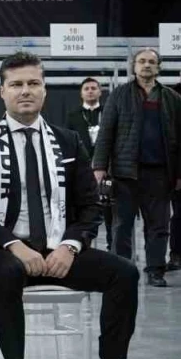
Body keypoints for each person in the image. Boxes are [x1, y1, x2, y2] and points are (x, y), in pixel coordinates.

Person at [0, 52, 148, 359]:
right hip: (6, 249)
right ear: (2, 92)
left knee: (125, 273)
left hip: (58, 250)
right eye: (16, 84)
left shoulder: (68, 141)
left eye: (33, 83)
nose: (25, 91)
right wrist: (14, 245)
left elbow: (90, 206)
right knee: (6, 272)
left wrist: (69, 246)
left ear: (45, 89)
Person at [93, 48, 181, 286]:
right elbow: (106, 132)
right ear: (134, 66)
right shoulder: (119, 95)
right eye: (142, 61)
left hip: (160, 173)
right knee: (121, 225)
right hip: (125, 173)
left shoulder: (173, 99)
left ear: (158, 67)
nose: (147, 65)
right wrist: (99, 166)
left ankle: (155, 270)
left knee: (159, 226)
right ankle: (121, 270)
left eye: (152, 62)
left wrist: (180, 174)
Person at [66, 77, 113, 244]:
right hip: (82, 169)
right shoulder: (73, 115)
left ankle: (112, 246)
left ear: (100, 92)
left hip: (107, 169)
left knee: (109, 210)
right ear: (81, 93)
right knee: (85, 209)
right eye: (86, 88)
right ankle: (83, 245)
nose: (90, 91)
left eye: (94, 88)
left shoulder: (108, 113)